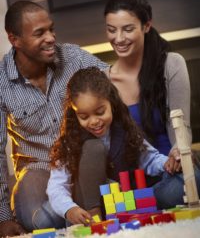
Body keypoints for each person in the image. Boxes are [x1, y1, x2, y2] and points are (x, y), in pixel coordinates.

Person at [0, 1, 108, 237]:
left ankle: (79, 208)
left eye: (51, 29)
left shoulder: (73, 56)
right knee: (37, 221)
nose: (51, 38)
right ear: (14, 39)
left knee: (94, 156)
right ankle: (77, 208)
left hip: (79, 159)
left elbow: (113, 87)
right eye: (40, 33)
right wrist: (3, 217)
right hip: (36, 167)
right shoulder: (1, 83)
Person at [47, 67, 200, 226]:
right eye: (84, 116)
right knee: (93, 148)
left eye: (100, 112)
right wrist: (69, 209)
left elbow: (149, 159)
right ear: (74, 112)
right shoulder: (70, 141)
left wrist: (167, 163)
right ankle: (96, 213)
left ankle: (145, 205)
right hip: (89, 211)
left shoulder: (125, 127)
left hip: (128, 203)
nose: (93, 121)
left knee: (192, 176)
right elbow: (56, 187)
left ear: (111, 104)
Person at [103, 0, 191, 159]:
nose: (119, 39)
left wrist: (178, 154)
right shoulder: (103, 81)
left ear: (147, 26)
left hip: (171, 170)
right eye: (112, 30)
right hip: (129, 178)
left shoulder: (171, 64)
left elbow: (181, 127)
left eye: (128, 29)